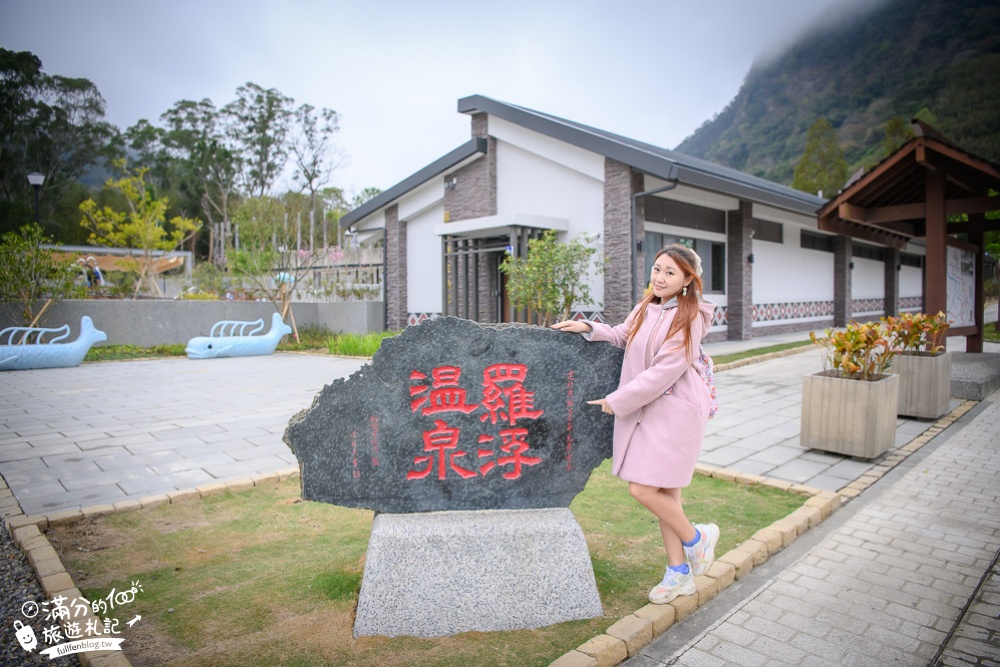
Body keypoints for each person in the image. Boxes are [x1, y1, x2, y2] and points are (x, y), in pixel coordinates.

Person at [552, 243, 720, 605]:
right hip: (651, 409)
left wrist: (618, 401)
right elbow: (622, 334)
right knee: (666, 495)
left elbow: (664, 372)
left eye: (670, 272)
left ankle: (696, 539)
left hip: (676, 412)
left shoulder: (690, 317)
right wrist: (588, 327)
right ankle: (679, 573)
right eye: (657, 268)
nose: (659, 277)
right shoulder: (647, 305)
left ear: (688, 280)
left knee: (643, 489)